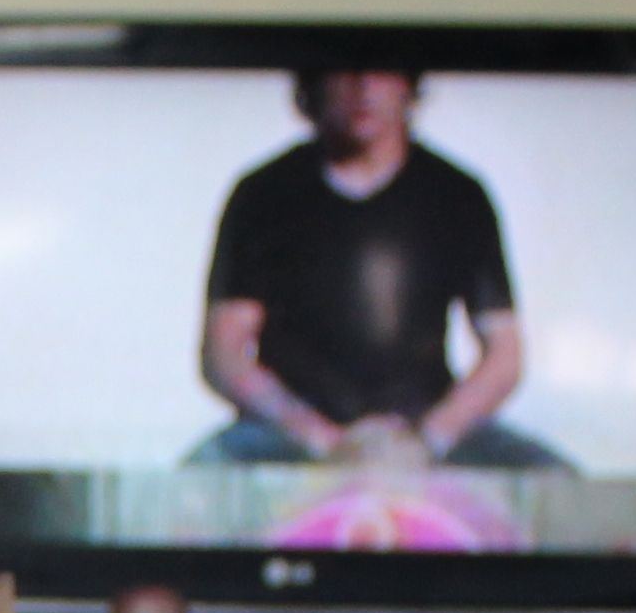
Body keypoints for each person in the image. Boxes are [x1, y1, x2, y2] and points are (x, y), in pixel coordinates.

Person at [190, 69, 559, 471]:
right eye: (344, 69)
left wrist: (426, 440)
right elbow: (224, 353)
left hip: (427, 431)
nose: (363, 87)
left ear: (408, 85)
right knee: (180, 501)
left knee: (561, 488)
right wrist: (321, 439)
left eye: (382, 69)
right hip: (287, 435)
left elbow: (504, 354)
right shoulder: (262, 194)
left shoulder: (458, 195)